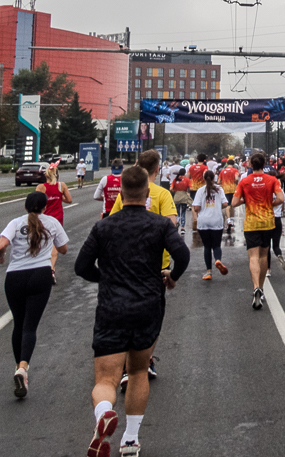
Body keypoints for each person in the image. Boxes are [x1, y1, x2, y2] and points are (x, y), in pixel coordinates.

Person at [77, 166, 190, 457]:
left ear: (122, 193)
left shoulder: (104, 226)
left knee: (105, 379)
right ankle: (130, 439)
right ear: (147, 195)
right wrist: (172, 276)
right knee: (139, 370)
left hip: (112, 307)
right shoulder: (160, 225)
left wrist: (105, 278)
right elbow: (183, 253)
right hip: (148, 304)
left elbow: (81, 266)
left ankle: (103, 413)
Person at [109, 149, 178, 389]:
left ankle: (130, 364)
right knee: (153, 315)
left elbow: (112, 222)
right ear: (157, 170)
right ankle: (144, 359)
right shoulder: (162, 194)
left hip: (127, 263)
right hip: (158, 264)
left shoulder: (125, 194)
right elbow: (172, 224)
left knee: (128, 311)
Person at [0, 191, 70, 398]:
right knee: (30, 326)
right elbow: (63, 249)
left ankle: (19, 368)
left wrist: (1, 257)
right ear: (45, 207)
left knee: (18, 324)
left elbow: (1, 245)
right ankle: (23, 368)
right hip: (40, 275)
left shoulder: (15, 222)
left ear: (25, 206)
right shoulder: (52, 222)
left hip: (14, 277)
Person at [231, 151, 284, 310]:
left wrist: (245, 200)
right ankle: (261, 288)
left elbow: (233, 203)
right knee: (263, 255)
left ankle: (255, 287)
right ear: (264, 164)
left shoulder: (245, 181)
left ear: (251, 164)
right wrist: (271, 203)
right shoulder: (272, 180)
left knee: (253, 256)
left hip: (251, 223)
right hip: (268, 222)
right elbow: (281, 199)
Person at [37, 165, 72, 278]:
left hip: (44, 218)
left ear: (45, 175)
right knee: (53, 244)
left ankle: (43, 267)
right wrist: (59, 197)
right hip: (57, 219)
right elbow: (69, 200)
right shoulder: (61, 186)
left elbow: (36, 202)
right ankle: (51, 269)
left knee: (42, 242)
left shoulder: (41, 187)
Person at [193, 170, 228, 281]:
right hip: (216, 220)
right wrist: (217, 207)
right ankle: (217, 259)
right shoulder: (219, 189)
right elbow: (225, 204)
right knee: (216, 245)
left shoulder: (200, 190)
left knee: (207, 247)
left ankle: (208, 272)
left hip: (203, 222)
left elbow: (196, 208)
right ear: (214, 178)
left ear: (204, 178)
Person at [218, 159, 239, 231]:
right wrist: (235, 182)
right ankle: (232, 220)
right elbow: (236, 179)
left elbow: (218, 181)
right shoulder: (235, 170)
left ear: (227, 164)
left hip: (225, 190)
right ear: (233, 164)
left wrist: (223, 184)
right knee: (233, 205)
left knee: (227, 205)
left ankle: (228, 220)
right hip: (233, 189)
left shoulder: (222, 171)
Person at [171, 168, 192, 234]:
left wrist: (175, 192)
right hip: (184, 197)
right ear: (185, 173)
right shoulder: (187, 180)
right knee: (183, 213)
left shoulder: (175, 179)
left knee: (177, 213)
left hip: (176, 197)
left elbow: (171, 188)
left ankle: (176, 225)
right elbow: (190, 188)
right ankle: (182, 228)